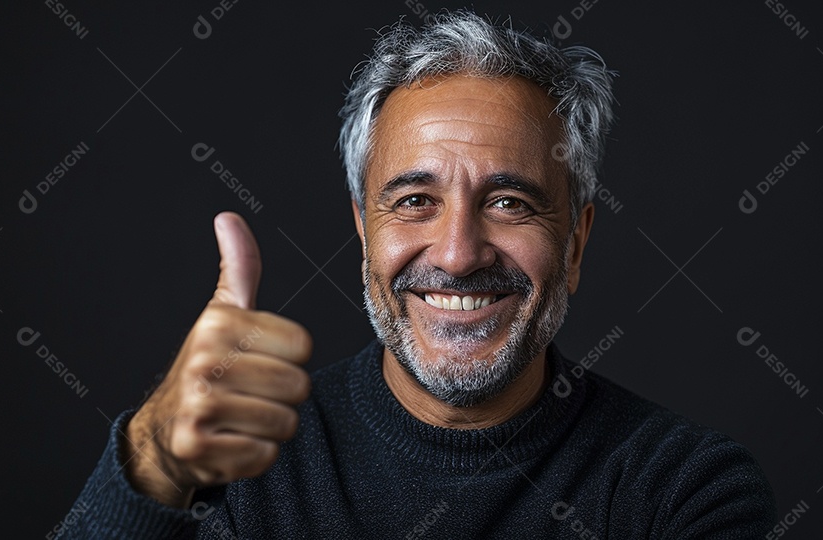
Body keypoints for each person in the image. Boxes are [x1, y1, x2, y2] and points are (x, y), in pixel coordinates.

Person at [56, 10, 774, 539]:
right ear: (365, 232)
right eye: (414, 202)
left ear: (576, 243)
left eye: (509, 202)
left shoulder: (683, 491)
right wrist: (150, 458)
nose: (458, 253)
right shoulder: (240, 462)